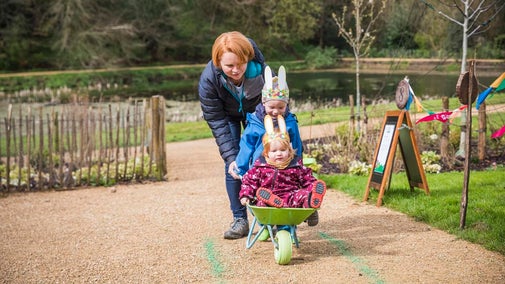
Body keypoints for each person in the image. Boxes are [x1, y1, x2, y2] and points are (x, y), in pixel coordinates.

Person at [198, 31, 267, 240]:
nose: (236, 70)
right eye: (229, 66)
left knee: (263, 158)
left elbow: (272, 96)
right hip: (226, 117)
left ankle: (267, 211)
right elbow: (216, 120)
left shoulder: (259, 68)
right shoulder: (208, 80)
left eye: (240, 64)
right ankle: (240, 219)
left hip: (256, 111)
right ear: (218, 62)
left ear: (248, 58)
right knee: (235, 163)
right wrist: (230, 157)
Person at [239, 115, 327, 225]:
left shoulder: (296, 166)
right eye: (274, 151)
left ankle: (310, 205)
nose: (279, 153)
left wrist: (312, 189)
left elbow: (308, 180)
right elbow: (249, 182)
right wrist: (246, 195)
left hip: (291, 197)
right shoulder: (260, 168)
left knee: (303, 195)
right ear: (266, 153)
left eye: (283, 150)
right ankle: (270, 216)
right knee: (261, 202)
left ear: (289, 151)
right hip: (269, 197)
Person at [228, 65, 303, 180]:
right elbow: (247, 145)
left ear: (286, 105)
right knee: (260, 195)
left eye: (281, 107)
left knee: (286, 193)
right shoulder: (256, 122)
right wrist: (241, 168)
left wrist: (299, 166)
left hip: (285, 170)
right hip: (260, 171)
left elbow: (297, 145)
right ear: (264, 103)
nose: (276, 111)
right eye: (271, 107)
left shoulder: (290, 122)